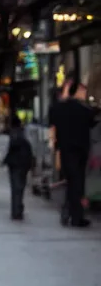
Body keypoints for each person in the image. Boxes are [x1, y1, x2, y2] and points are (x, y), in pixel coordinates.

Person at [50, 80, 99, 228]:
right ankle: (75, 216)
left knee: (71, 181)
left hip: (65, 150)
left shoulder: (59, 107)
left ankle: (69, 211)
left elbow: (53, 117)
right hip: (80, 150)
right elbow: (93, 120)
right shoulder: (84, 109)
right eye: (83, 91)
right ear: (76, 91)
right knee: (77, 182)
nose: (85, 93)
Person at [3, 116, 35, 221]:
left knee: (15, 187)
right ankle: (18, 209)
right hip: (23, 163)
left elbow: (11, 146)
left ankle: (16, 210)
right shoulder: (24, 133)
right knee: (20, 187)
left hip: (15, 163)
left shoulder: (13, 134)